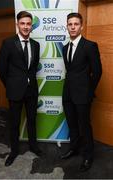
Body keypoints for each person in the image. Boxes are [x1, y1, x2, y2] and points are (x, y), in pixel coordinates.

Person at [0, 11, 42, 167]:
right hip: (15, 91)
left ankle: (33, 146)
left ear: (31, 26)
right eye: (22, 23)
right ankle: (14, 151)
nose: (25, 26)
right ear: (17, 24)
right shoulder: (8, 43)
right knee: (14, 123)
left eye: (28, 24)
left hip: (31, 91)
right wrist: (11, 84)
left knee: (31, 120)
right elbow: (1, 69)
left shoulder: (36, 45)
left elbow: (33, 67)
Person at [61, 12, 102, 172]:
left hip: (83, 95)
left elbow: (97, 72)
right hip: (68, 93)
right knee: (72, 125)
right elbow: (71, 71)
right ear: (67, 26)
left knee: (84, 126)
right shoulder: (65, 48)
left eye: (76, 24)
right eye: (70, 24)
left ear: (81, 26)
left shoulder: (90, 46)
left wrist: (89, 92)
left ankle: (88, 155)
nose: (72, 27)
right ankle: (74, 148)